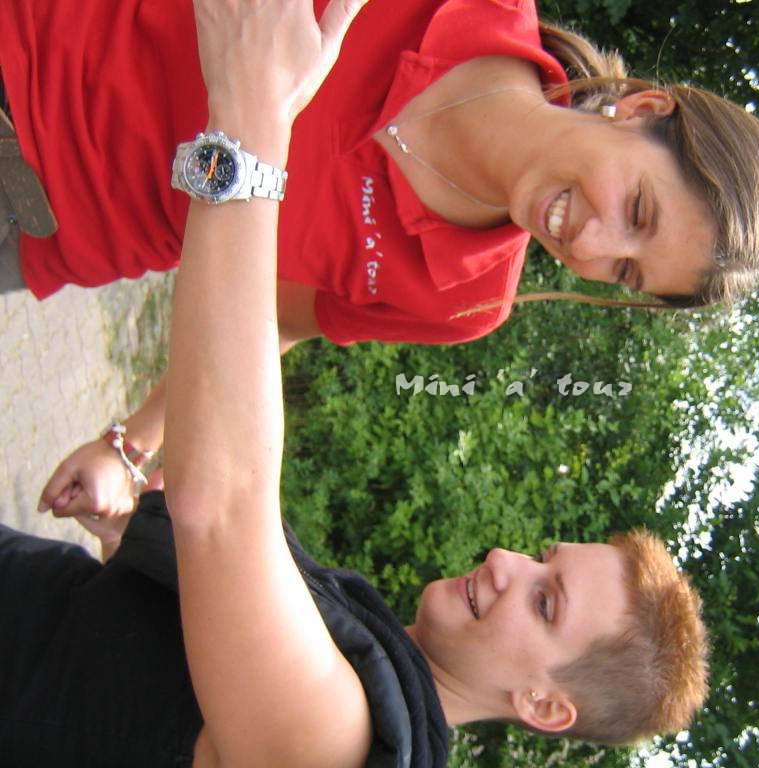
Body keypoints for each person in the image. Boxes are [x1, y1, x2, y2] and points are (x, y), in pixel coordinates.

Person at [0, 2, 709, 764]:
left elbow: (220, 505)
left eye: (545, 601)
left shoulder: (345, 743)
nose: (507, 560)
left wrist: (250, 115)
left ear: (543, 705)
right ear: (638, 110)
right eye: (541, 558)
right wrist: (140, 516)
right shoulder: (359, 653)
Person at [11, 0, 759, 519]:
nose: (589, 246)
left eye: (625, 270)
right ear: (641, 110)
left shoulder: (464, 303)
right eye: (638, 209)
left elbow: (270, 322)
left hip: (41, 226)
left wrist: (128, 449)